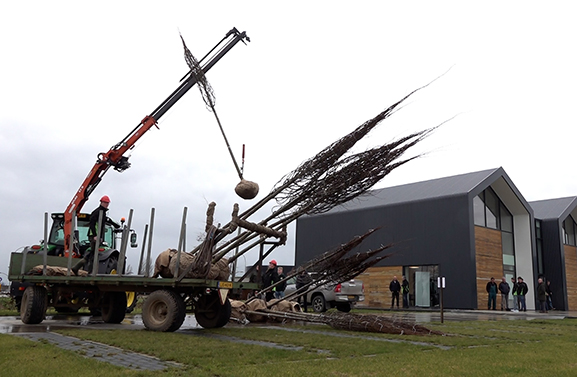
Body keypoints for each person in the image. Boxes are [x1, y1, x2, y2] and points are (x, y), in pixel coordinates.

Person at [72, 195, 110, 275]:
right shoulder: (97, 212)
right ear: (101, 202)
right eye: (105, 203)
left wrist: (101, 237)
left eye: (108, 203)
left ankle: (81, 269)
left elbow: (102, 226)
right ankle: (86, 270)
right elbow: (92, 224)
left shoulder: (103, 213)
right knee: (92, 254)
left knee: (93, 253)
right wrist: (95, 235)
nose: (107, 204)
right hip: (94, 235)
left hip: (97, 236)